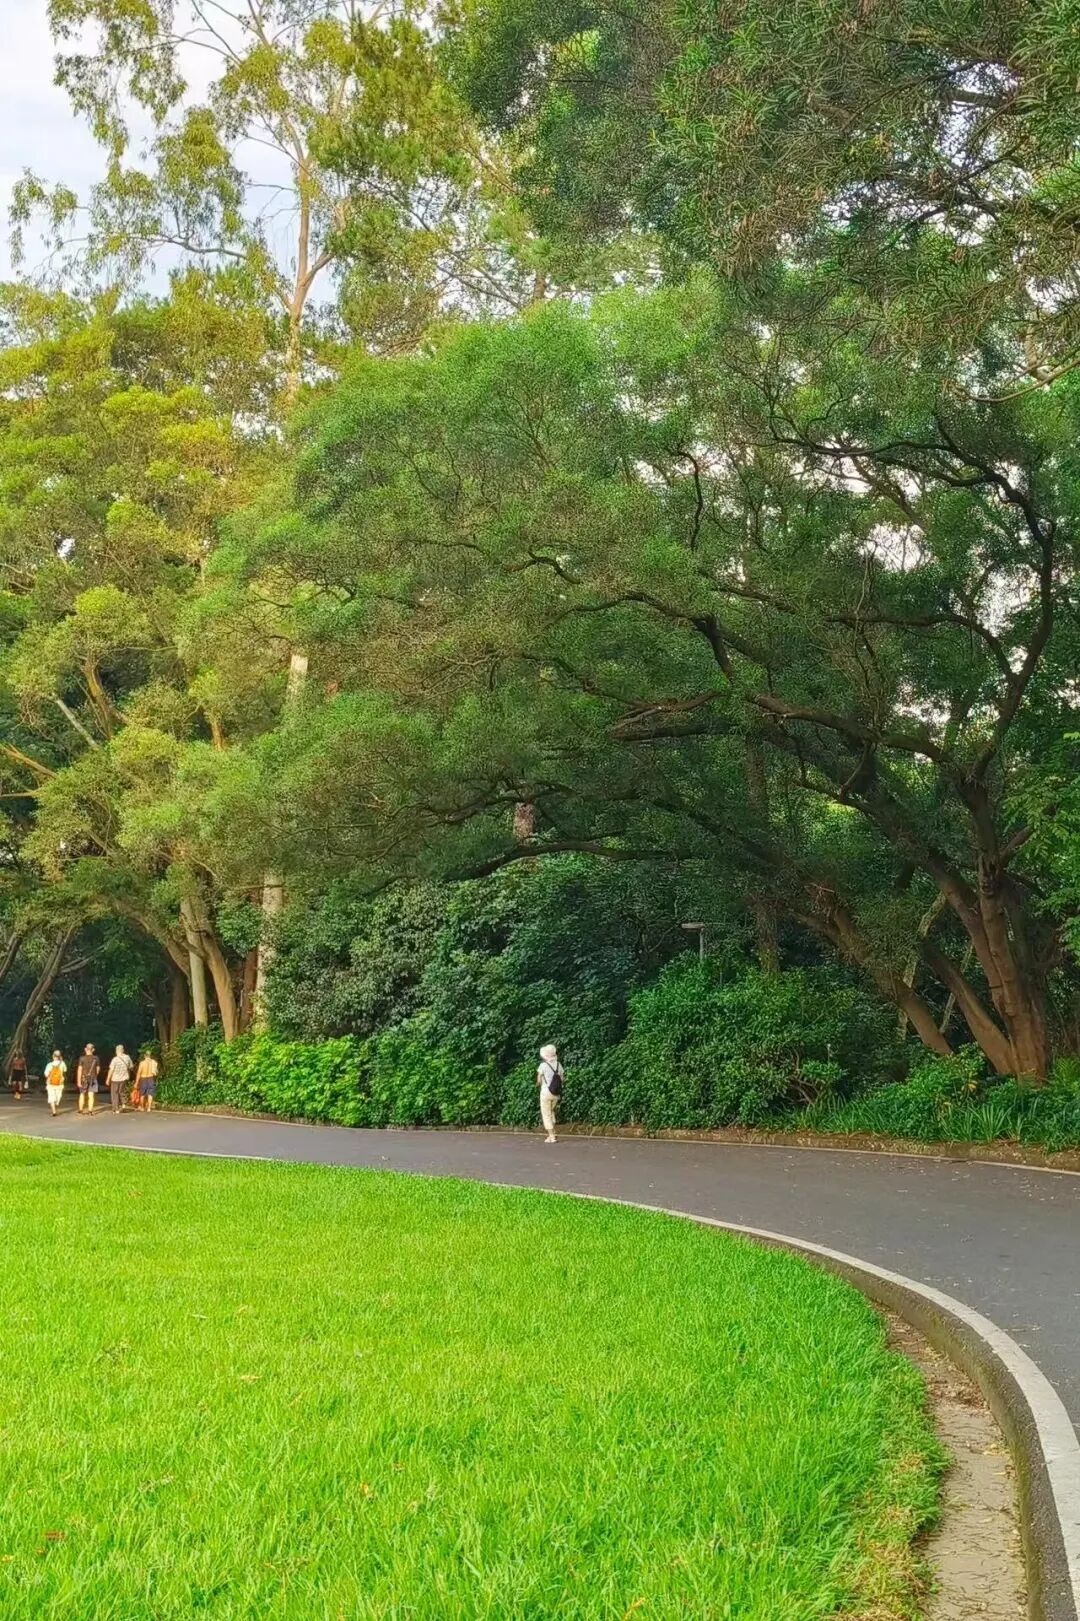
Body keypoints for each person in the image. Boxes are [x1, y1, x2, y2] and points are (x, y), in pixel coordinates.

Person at [536, 1043, 564, 1144]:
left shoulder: (543, 1065)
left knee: (546, 1114)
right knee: (551, 1111)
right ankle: (553, 1132)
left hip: (546, 1092)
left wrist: (539, 1084)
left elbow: (539, 1079)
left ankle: (552, 1136)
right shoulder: (558, 1064)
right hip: (556, 1093)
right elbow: (562, 1079)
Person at [107, 1045, 133, 1114]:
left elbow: (111, 1070)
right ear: (123, 1050)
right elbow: (131, 1067)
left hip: (115, 1079)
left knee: (114, 1093)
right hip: (124, 1078)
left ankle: (116, 1109)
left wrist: (108, 1079)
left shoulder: (115, 1059)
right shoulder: (127, 1057)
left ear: (116, 1051)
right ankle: (124, 1104)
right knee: (122, 1091)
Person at [75, 1044, 100, 1115]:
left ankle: (80, 1109)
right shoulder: (96, 1058)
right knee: (91, 1095)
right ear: (93, 1050)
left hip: (84, 1078)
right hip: (93, 1078)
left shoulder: (82, 1058)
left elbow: (79, 1070)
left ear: (85, 1049)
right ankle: (90, 1111)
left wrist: (78, 1081)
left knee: (82, 1094)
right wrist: (94, 1075)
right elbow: (98, 1069)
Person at [44, 1051, 66, 1117]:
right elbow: (65, 1070)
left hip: (50, 1083)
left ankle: (54, 1111)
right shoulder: (62, 1064)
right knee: (58, 1096)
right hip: (60, 1083)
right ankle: (56, 1104)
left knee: (51, 1097)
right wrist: (62, 1061)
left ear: (53, 1056)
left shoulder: (49, 1064)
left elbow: (46, 1074)